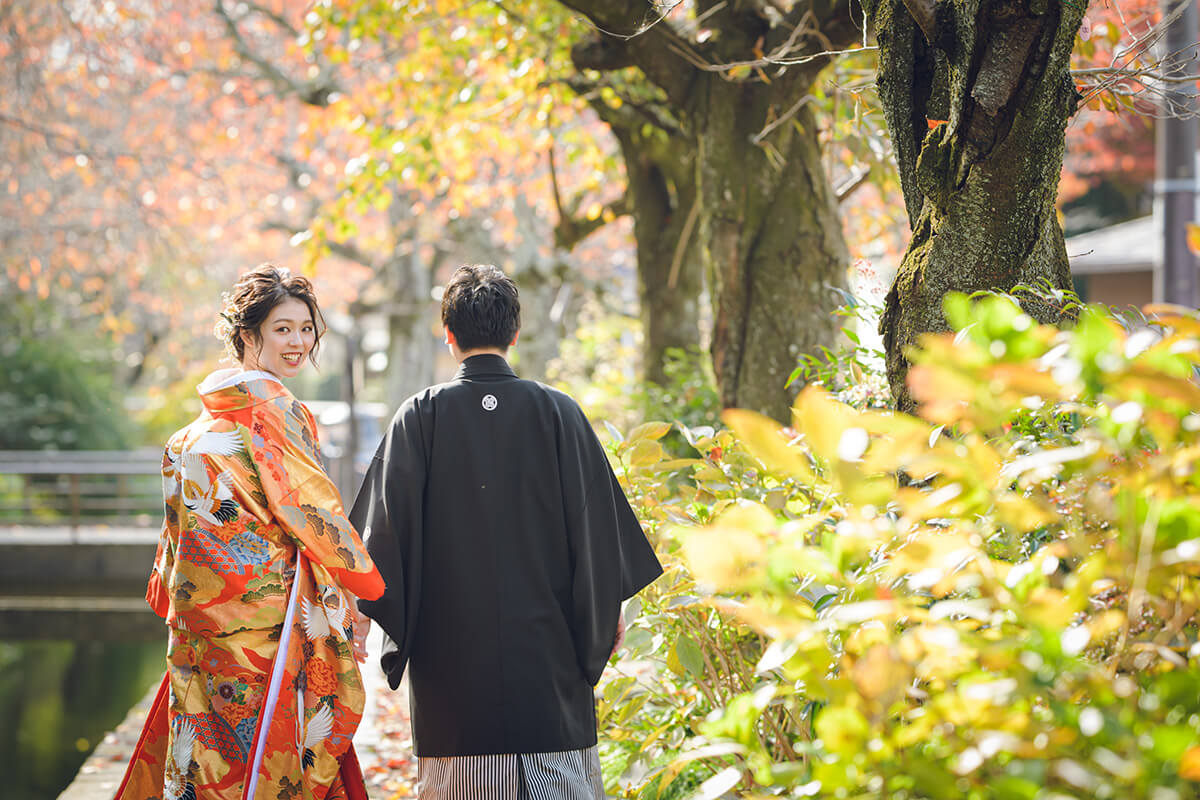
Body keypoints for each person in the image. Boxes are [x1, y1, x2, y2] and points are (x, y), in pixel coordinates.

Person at [349, 264, 663, 800]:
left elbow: (380, 544)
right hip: (550, 669)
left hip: (453, 679)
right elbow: (600, 538)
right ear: (514, 334)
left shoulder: (418, 418)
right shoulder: (560, 413)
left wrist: (363, 621)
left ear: (448, 335)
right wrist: (604, 614)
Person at [115, 264, 385, 800]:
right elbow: (310, 508)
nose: (298, 342)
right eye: (282, 328)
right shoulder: (274, 408)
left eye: (305, 328)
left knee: (204, 753)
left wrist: (171, 587)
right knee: (268, 754)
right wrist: (366, 586)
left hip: (199, 618)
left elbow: (177, 526)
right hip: (265, 623)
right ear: (247, 335)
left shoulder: (194, 431)